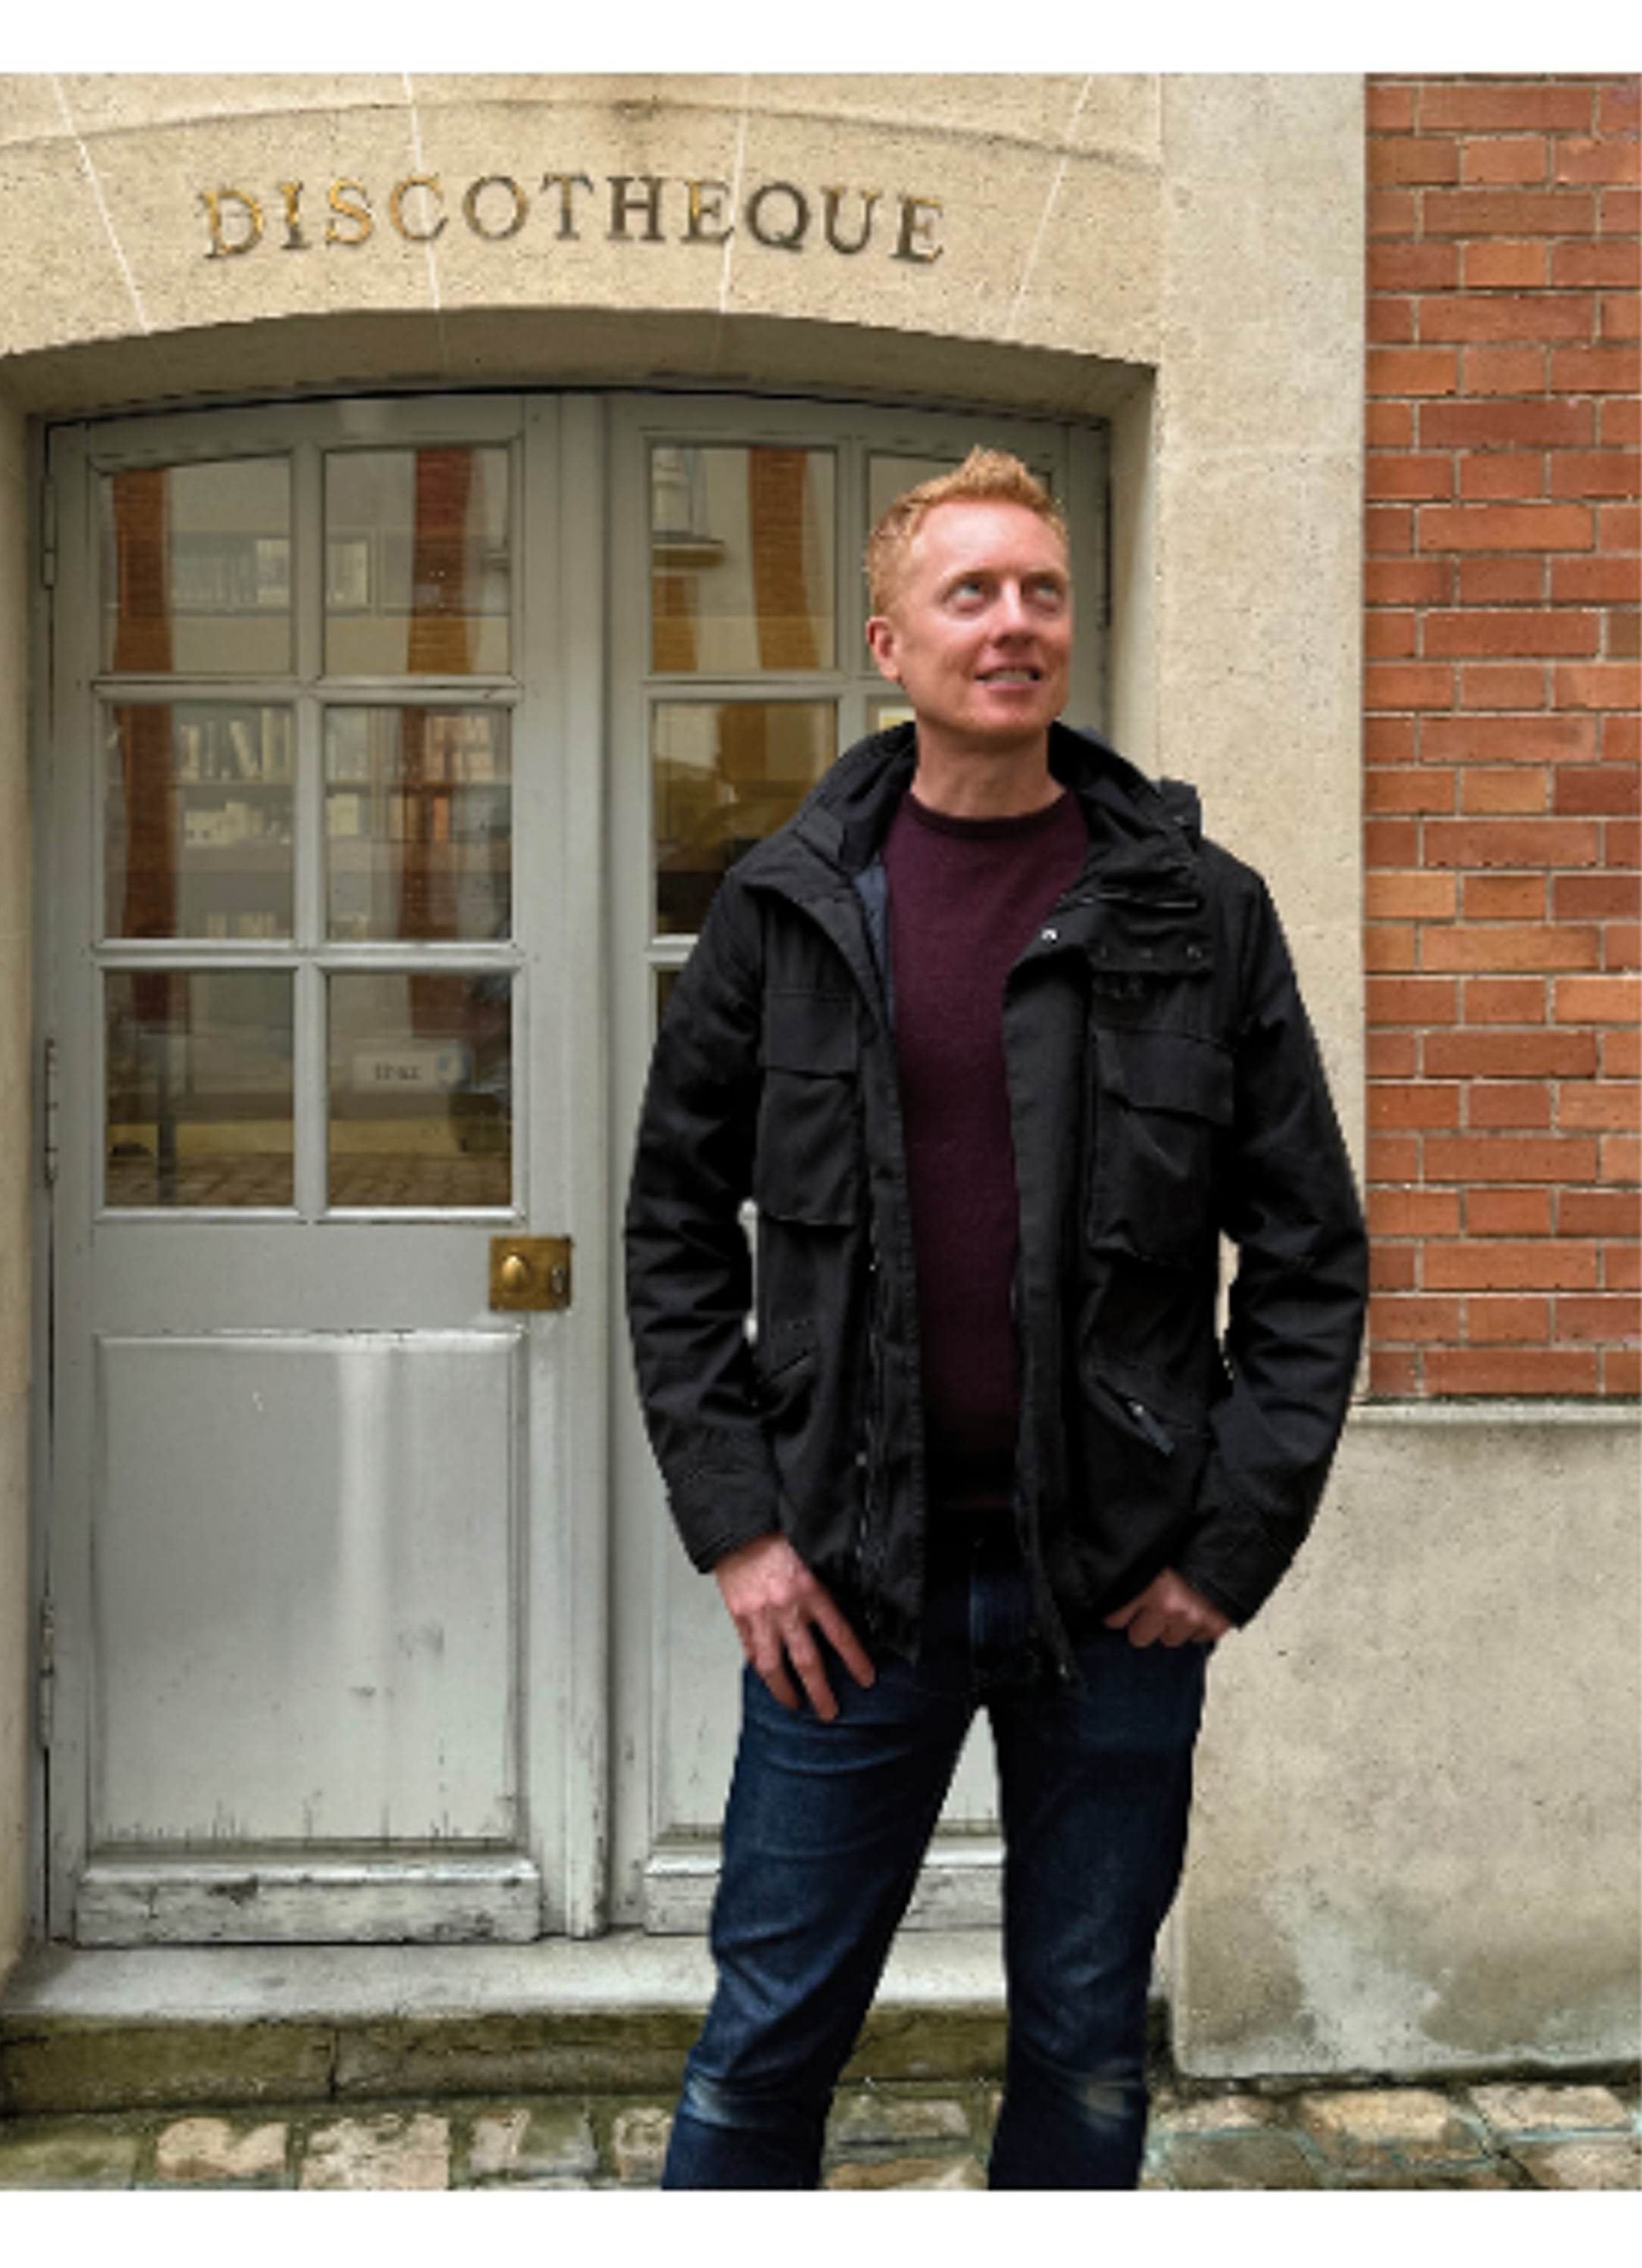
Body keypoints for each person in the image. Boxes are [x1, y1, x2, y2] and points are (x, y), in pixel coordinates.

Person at [622, 449, 1368, 2189]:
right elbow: (673, 1227)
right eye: (972, 593)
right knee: (763, 2042)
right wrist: (742, 1531)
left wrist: (1226, 1544)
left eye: (1041, 591)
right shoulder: (786, 905)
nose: (1015, 623)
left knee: (1089, 2041)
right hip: (846, 1586)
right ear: (891, 641)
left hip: (1116, 1586)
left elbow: (1311, 1253)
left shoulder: (1198, 909)